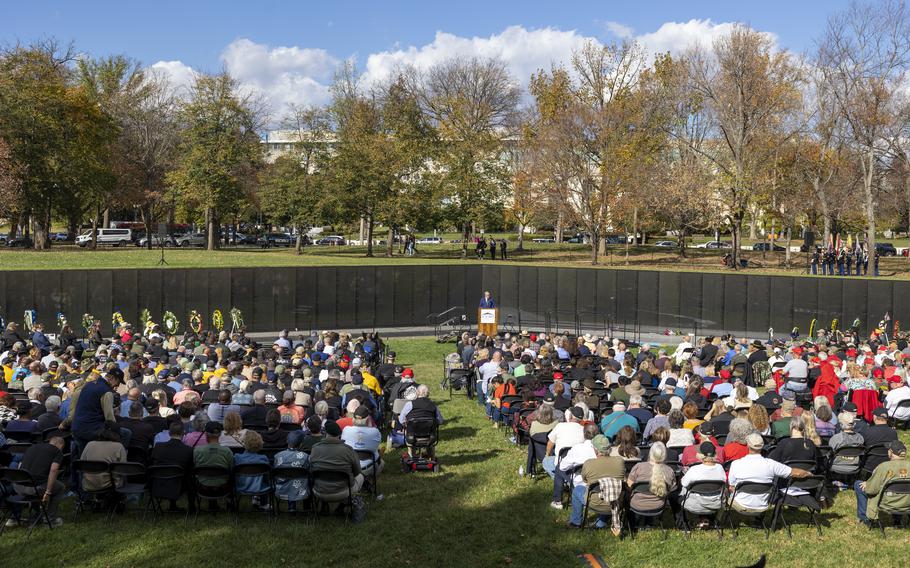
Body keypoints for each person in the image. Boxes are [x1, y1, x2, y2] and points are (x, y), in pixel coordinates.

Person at [727, 433, 811, 513]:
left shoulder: (736, 464)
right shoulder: (771, 464)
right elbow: (796, 473)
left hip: (741, 505)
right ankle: (759, 520)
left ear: (748, 445)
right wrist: (809, 474)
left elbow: (731, 487)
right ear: (762, 446)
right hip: (763, 505)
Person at [309, 420, 365, 520]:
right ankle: (350, 504)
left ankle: (325, 505)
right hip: (343, 491)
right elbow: (357, 471)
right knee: (360, 476)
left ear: (325, 433)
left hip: (319, 490)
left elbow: (311, 469)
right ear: (340, 435)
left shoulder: (315, 448)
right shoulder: (348, 450)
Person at [570, 434, 625, 534]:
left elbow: (585, 480)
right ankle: (601, 522)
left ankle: (576, 522)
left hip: (595, 502)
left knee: (577, 489)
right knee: (609, 490)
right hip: (616, 502)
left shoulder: (589, 463)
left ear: (595, 450)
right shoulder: (619, 462)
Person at [11, 436, 66, 527]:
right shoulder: (57, 452)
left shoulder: (32, 447)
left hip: (18, 486)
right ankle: (50, 519)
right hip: (35, 488)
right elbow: (53, 470)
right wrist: (48, 492)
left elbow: (20, 465)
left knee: (37, 481)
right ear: (60, 446)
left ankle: (35, 516)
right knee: (60, 487)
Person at [854, 440, 910, 527]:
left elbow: (872, 490)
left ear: (890, 452)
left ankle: (865, 518)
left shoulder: (883, 466)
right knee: (901, 490)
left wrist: (868, 484)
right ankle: (897, 520)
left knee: (858, 484)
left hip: (887, 502)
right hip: (907, 503)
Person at [627, 442, 677, 528]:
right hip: (658, 505)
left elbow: (629, 485)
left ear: (650, 453)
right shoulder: (669, 471)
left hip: (637, 504)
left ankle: (630, 524)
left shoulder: (639, 466)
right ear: (664, 455)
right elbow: (672, 489)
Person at [150, 421, 196, 513]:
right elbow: (191, 469)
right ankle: (192, 508)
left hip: (159, 483)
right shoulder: (188, 450)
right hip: (180, 484)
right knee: (190, 477)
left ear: (169, 433)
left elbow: (153, 464)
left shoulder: (158, 447)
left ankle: (174, 505)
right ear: (183, 433)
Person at [679, 441, 727, 527]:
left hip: (695, 505)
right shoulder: (720, 468)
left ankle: (686, 522)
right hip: (715, 504)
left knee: (683, 489)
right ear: (715, 453)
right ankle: (715, 521)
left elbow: (683, 483)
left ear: (700, 454)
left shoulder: (694, 469)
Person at [554, 423, 598, 512]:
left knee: (559, 468)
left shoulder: (577, 448)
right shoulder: (601, 449)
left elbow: (563, 467)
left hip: (580, 479)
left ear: (584, 434)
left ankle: (557, 501)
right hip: (596, 479)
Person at [193, 421, 234, 507]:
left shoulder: (197, 450)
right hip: (222, 487)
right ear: (219, 435)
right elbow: (232, 469)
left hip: (203, 487)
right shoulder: (227, 451)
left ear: (206, 435)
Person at [80, 424, 127, 492]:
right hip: (111, 485)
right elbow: (123, 470)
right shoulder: (119, 446)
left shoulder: (89, 444)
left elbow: (81, 464)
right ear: (117, 433)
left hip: (88, 485)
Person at [542, 406, 585, 478]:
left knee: (545, 462)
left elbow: (550, 443)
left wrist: (547, 455)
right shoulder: (584, 431)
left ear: (570, 416)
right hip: (578, 464)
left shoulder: (560, 426)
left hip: (560, 463)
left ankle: (559, 478)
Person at [274, 430, 311, 510]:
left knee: (290, 479)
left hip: (282, 488)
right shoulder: (305, 457)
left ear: (287, 441)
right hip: (301, 489)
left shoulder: (278, 456)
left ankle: (291, 507)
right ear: (301, 444)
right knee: (299, 478)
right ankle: (307, 508)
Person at [234, 431, 271, 509]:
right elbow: (267, 478)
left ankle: (256, 498)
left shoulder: (237, 457)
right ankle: (263, 503)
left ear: (244, 443)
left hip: (241, 487)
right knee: (264, 479)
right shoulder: (263, 458)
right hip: (260, 488)